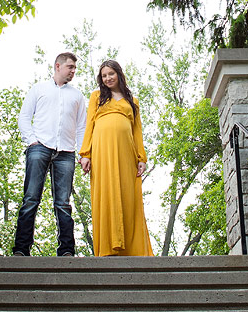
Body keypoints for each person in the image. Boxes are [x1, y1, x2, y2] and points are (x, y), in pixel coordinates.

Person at [12, 51, 87, 256]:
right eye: (70, 67)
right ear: (57, 66)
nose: (73, 71)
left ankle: (66, 251)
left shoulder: (77, 96)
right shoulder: (39, 89)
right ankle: (21, 249)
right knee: (31, 198)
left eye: (74, 68)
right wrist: (32, 141)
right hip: (40, 147)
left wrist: (83, 154)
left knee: (63, 203)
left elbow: (82, 127)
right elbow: (25, 117)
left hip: (66, 152)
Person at [79, 59, 154, 257]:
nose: (107, 78)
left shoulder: (132, 101)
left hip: (126, 152)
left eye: (110, 74)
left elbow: (137, 131)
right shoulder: (96, 96)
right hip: (102, 150)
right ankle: (107, 248)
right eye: (104, 76)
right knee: (106, 191)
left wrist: (141, 158)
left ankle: (133, 249)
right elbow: (89, 126)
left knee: (127, 194)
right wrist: (85, 153)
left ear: (119, 74)